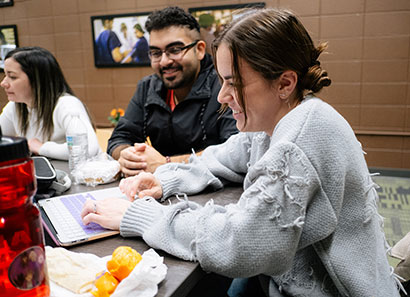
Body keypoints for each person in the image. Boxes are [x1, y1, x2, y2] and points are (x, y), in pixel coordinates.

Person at [82, 8, 401, 296]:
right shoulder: (277, 122)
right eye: (221, 82)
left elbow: (238, 245)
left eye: (234, 84)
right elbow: (221, 158)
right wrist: (164, 180)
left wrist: (138, 215)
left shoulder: (297, 139)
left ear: (284, 83)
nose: (222, 97)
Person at [107, 6, 238, 176]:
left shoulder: (224, 85)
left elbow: (235, 151)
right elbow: (119, 138)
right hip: (160, 190)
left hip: (218, 191)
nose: (164, 61)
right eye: (155, 53)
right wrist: (128, 156)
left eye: (175, 50)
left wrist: (166, 164)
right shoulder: (147, 88)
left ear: (199, 49)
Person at [0, 46, 100, 160]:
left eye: (12, 76)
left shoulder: (67, 105)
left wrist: (42, 148)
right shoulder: (15, 106)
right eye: (5, 75)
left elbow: (88, 148)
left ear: (38, 80)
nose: (3, 83)